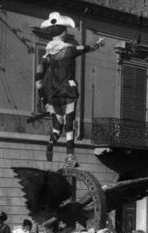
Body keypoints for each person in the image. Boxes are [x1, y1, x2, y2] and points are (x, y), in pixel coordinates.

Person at [35, 11, 104, 165]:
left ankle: (50, 144)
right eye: (65, 30)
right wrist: (99, 44)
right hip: (68, 91)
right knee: (69, 124)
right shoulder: (69, 49)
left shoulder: (46, 56)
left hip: (54, 94)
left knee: (57, 126)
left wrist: (44, 100)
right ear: (62, 33)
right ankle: (70, 155)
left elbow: (38, 82)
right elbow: (87, 48)